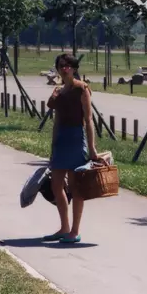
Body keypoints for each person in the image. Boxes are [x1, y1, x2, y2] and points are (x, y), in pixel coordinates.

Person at [43, 53, 100, 245]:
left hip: (76, 137)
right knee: (56, 184)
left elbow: (89, 120)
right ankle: (64, 227)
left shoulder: (81, 88)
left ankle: (75, 231)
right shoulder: (59, 91)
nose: (64, 68)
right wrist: (53, 146)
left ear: (74, 68)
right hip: (61, 139)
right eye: (61, 65)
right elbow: (57, 120)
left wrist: (92, 148)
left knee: (76, 187)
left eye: (68, 65)